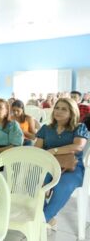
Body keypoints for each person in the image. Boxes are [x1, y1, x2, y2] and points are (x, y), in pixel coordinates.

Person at [35, 98, 89, 228]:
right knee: (34, 182)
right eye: (57, 108)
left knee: (61, 187)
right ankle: (47, 217)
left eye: (64, 109)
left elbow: (78, 146)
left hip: (72, 167)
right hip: (48, 165)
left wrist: (54, 150)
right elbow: (37, 149)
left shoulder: (79, 127)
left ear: (72, 112)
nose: (58, 111)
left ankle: (42, 220)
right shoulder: (46, 128)